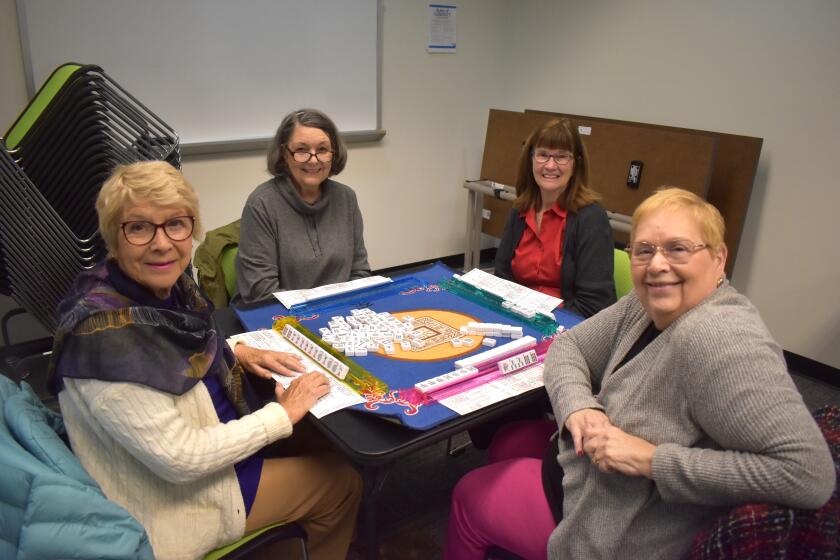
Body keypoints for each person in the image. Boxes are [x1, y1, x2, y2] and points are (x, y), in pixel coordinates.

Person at [445, 188, 835, 560]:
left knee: (467, 494)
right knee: (508, 441)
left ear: (719, 259)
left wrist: (652, 460)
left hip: (620, 526)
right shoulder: (646, 301)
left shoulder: (719, 338)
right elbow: (569, 346)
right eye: (644, 250)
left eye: (678, 249)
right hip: (594, 475)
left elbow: (806, 475)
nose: (658, 264)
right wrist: (580, 407)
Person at [48, 161, 362, 560]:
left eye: (175, 224)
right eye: (139, 227)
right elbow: (183, 458)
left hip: (211, 441)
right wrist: (280, 417)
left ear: (191, 228)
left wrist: (236, 353)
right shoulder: (104, 340)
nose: (162, 243)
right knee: (343, 482)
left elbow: (176, 350)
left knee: (330, 437)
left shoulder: (161, 290)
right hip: (180, 497)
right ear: (114, 237)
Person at [235, 108, 371, 304]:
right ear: (284, 154)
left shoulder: (346, 198)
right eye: (301, 150)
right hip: (284, 319)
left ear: (333, 153)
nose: (313, 159)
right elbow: (261, 292)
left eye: (322, 150)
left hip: (342, 313)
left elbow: (360, 272)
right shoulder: (262, 204)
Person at [494, 117, 615, 318]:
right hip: (517, 316)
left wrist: (536, 320)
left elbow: (593, 305)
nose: (550, 165)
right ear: (531, 159)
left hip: (565, 326)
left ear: (576, 163)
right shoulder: (519, 210)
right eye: (543, 155)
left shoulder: (591, 218)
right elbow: (502, 278)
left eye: (561, 157)